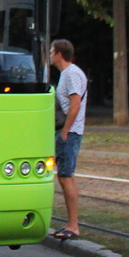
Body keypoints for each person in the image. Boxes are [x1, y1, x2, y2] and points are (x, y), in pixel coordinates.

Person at [50, 38, 85, 240]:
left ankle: (73, 226)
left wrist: (65, 131)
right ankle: (71, 224)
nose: (50, 55)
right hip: (69, 131)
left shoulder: (71, 74)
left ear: (59, 54)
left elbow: (75, 104)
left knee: (65, 176)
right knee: (67, 176)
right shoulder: (67, 74)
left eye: (51, 52)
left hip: (69, 132)